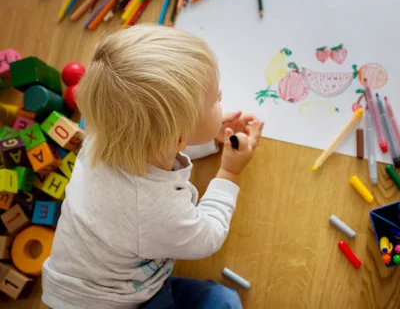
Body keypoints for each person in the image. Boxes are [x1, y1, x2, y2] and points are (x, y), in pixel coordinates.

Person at [42, 24, 263, 309]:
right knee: (225, 303)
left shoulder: (103, 131)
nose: (221, 98)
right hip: (112, 302)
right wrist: (229, 173)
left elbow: (151, 145)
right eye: (215, 99)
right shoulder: (154, 207)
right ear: (178, 138)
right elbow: (208, 236)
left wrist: (205, 138)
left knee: (222, 300)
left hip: (91, 282)